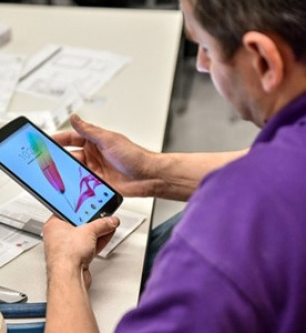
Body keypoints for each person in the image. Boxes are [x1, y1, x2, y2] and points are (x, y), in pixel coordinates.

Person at [42, 0, 306, 331]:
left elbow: (267, 184)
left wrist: (63, 265)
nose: (200, 65)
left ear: (264, 60)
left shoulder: (235, 226)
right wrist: (151, 171)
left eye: (205, 47)